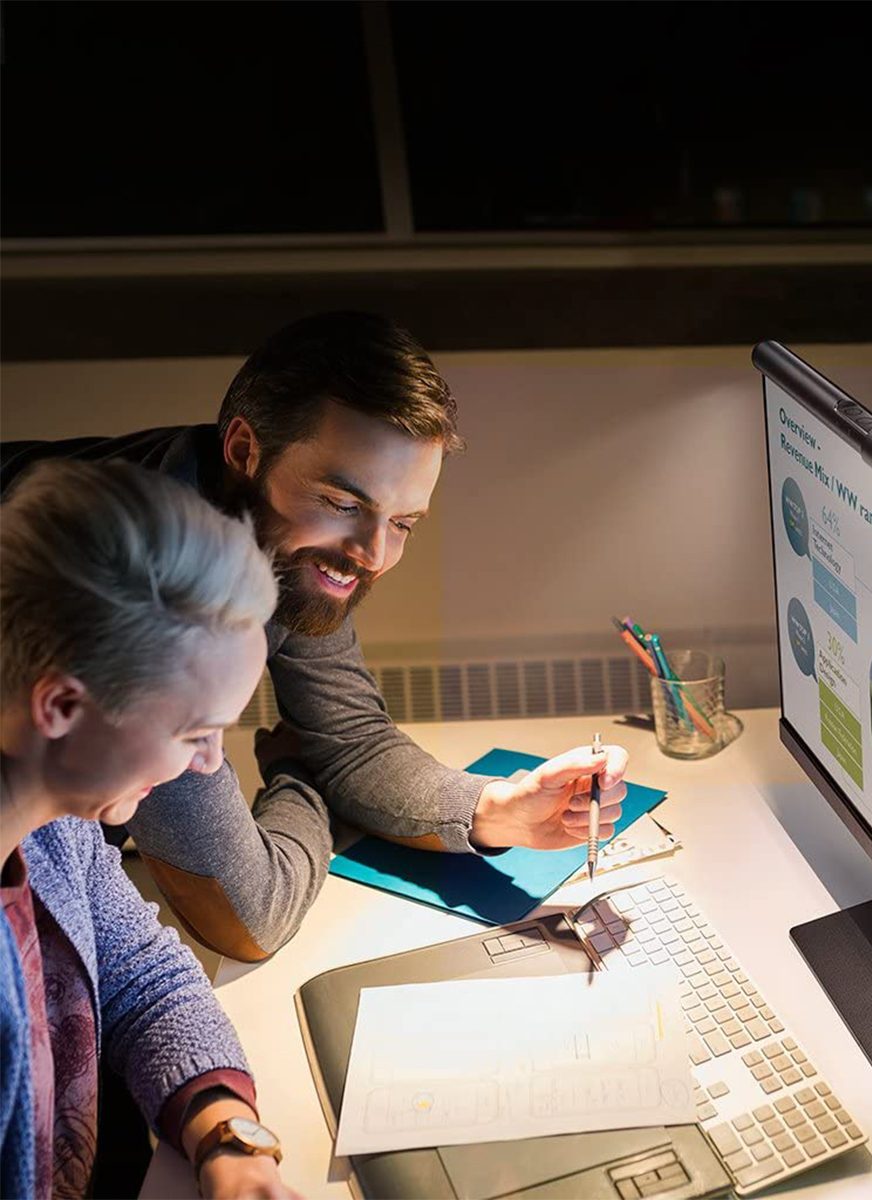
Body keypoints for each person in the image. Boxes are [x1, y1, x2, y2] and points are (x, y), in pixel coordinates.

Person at [0, 311, 629, 962]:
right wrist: (301, 778)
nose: (373, 554)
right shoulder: (155, 579)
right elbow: (248, 915)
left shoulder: (284, 540)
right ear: (245, 451)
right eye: (344, 504)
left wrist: (495, 808)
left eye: (404, 522)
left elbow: (350, 740)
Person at [0, 460, 299, 1199]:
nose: (206, 767)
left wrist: (232, 1142)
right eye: (196, 731)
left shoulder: (53, 825)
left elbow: (141, 976)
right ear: (62, 706)